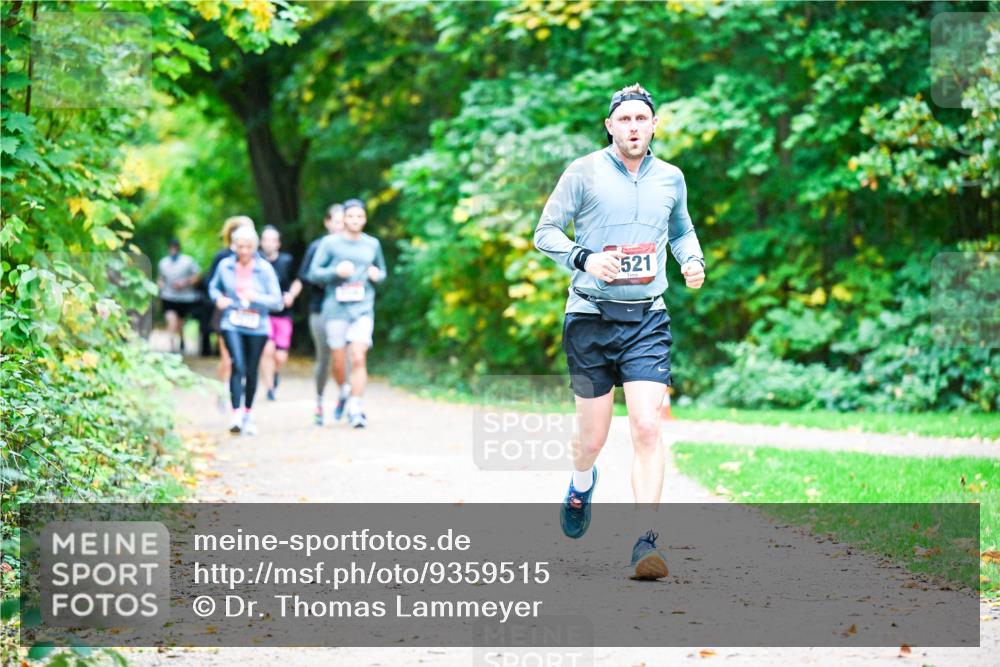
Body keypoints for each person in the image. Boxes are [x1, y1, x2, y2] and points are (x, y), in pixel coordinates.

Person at [533, 83, 706, 580]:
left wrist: (691, 260)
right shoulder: (582, 172)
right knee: (592, 439)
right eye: (624, 119)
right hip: (589, 316)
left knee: (648, 427)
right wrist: (585, 258)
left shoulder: (671, 177)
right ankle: (581, 483)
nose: (633, 126)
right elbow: (544, 232)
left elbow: (681, 229)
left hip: (647, 317)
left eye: (641, 119)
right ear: (610, 125)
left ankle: (646, 542)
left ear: (654, 125)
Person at [307, 198, 387, 429]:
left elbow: (382, 272)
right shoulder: (330, 243)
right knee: (339, 362)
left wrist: (376, 275)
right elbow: (313, 273)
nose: (355, 220)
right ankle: (344, 391)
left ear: (364, 219)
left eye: (359, 216)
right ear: (344, 219)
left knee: (359, 356)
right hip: (335, 310)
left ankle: (356, 406)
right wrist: (336, 271)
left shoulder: (372, 244)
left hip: (362, 308)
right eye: (350, 216)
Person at [207, 224, 283, 436]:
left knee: (251, 369)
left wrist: (255, 297)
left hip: (257, 325)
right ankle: (236, 413)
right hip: (232, 321)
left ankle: (248, 412)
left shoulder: (265, 269)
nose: (244, 251)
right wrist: (219, 299)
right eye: (240, 246)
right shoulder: (225, 265)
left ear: (255, 247)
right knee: (236, 364)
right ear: (234, 246)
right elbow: (213, 287)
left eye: (248, 247)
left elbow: (277, 302)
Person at [298, 204, 347, 425]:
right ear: (327, 223)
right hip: (321, 309)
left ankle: (346, 397)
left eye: (343, 221)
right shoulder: (318, 246)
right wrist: (333, 275)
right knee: (325, 358)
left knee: (349, 356)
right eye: (336, 221)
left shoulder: (357, 246)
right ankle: (319, 402)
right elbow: (307, 276)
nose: (340, 226)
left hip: (350, 310)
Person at [206, 216, 255, 407]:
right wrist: (220, 299)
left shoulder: (257, 260)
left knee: (246, 358)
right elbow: (211, 285)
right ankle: (224, 390)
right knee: (228, 358)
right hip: (227, 314)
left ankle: (239, 390)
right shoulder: (222, 258)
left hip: (251, 314)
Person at [258, 225, 303, 401]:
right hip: (263, 313)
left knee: (280, 356)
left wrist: (291, 295)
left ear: (278, 243)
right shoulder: (257, 262)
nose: (269, 243)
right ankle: (269, 388)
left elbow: (298, 281)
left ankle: (274, 373)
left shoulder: (286, 261)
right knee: (266, 351)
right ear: (261, 242)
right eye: (266, 239)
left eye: (273, 240)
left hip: (283, 314)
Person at [157, 238, 200, 354]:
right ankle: (171, 346)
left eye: (175, 247)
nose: (173, 250)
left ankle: (181, 339)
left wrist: (185, 282)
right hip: (168, 296)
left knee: (180, 323)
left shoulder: (188, 261)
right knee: (171, 321)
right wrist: (160, 286)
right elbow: (160, 278)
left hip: (184, 298)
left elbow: (197, 276)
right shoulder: (163, 263)